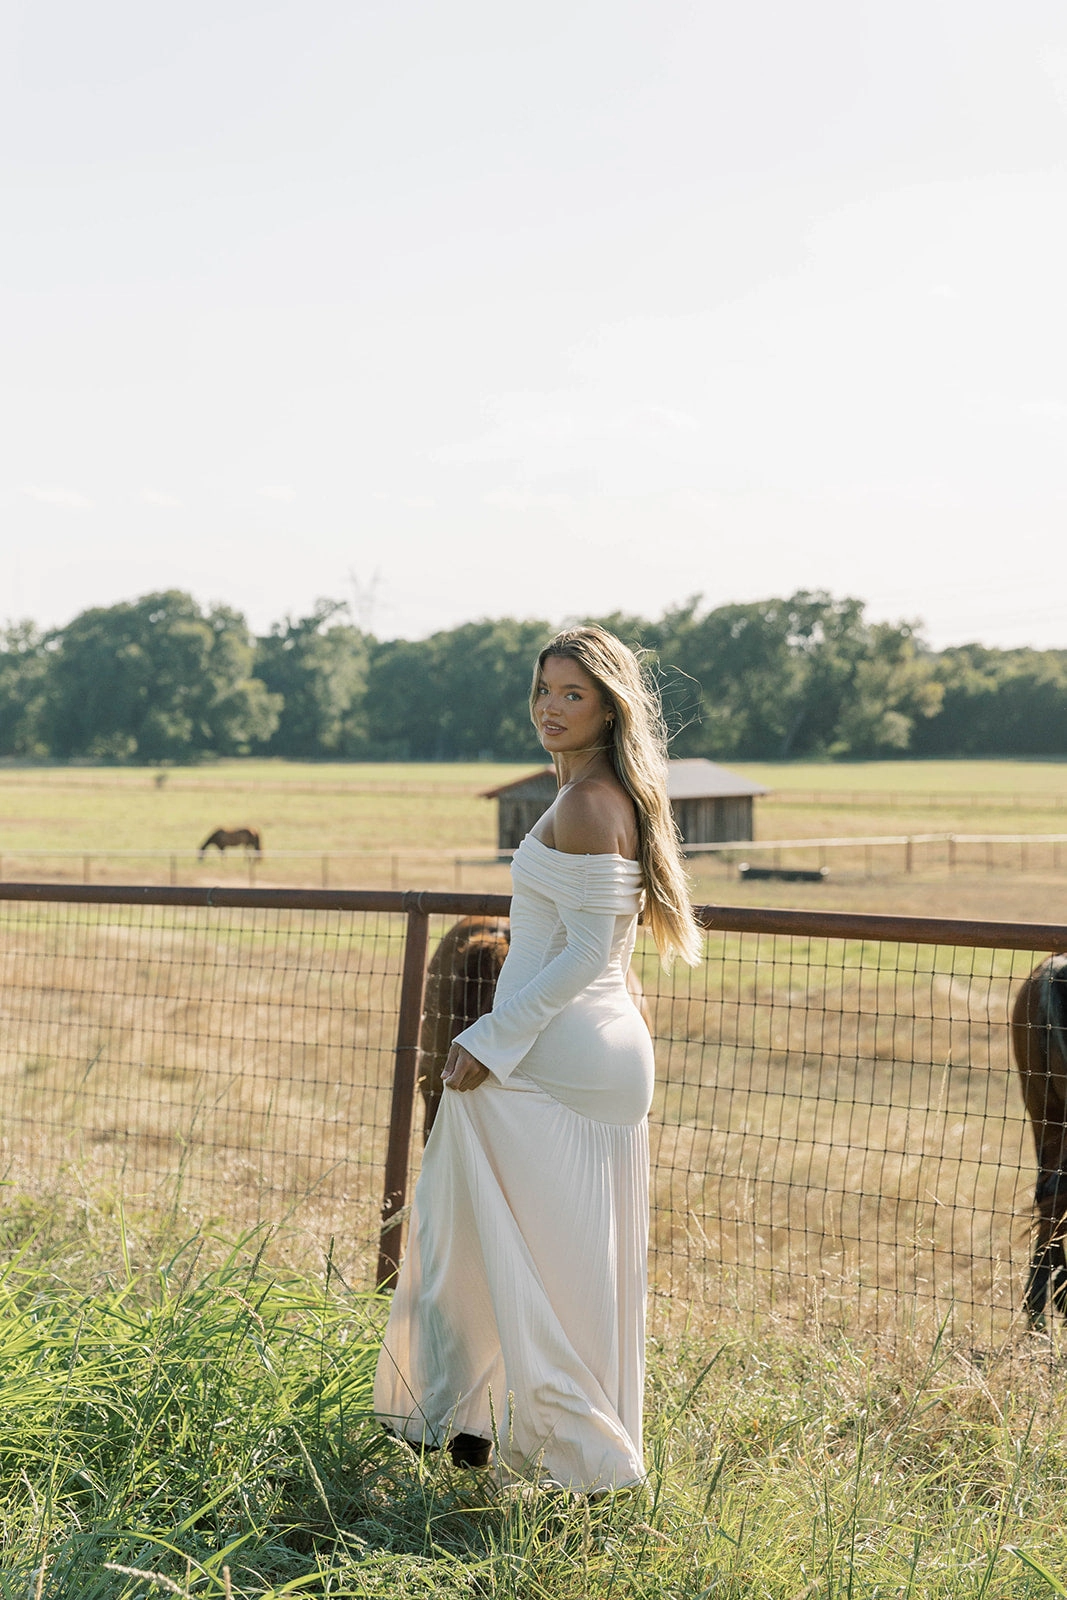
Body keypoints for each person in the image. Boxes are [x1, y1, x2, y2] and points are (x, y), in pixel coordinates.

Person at [374, 625, 703, 1492]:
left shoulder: (593, 802)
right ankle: (491, 1430)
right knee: (554, 1262)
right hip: (587, 1049)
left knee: (479, 1217)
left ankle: (543, 1445)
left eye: (572, 696)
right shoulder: (594, 795)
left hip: (563, 1055)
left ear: (609, 707)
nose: (550, 711)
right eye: (542, 693)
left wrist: (487, 1036)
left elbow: (587, 953)